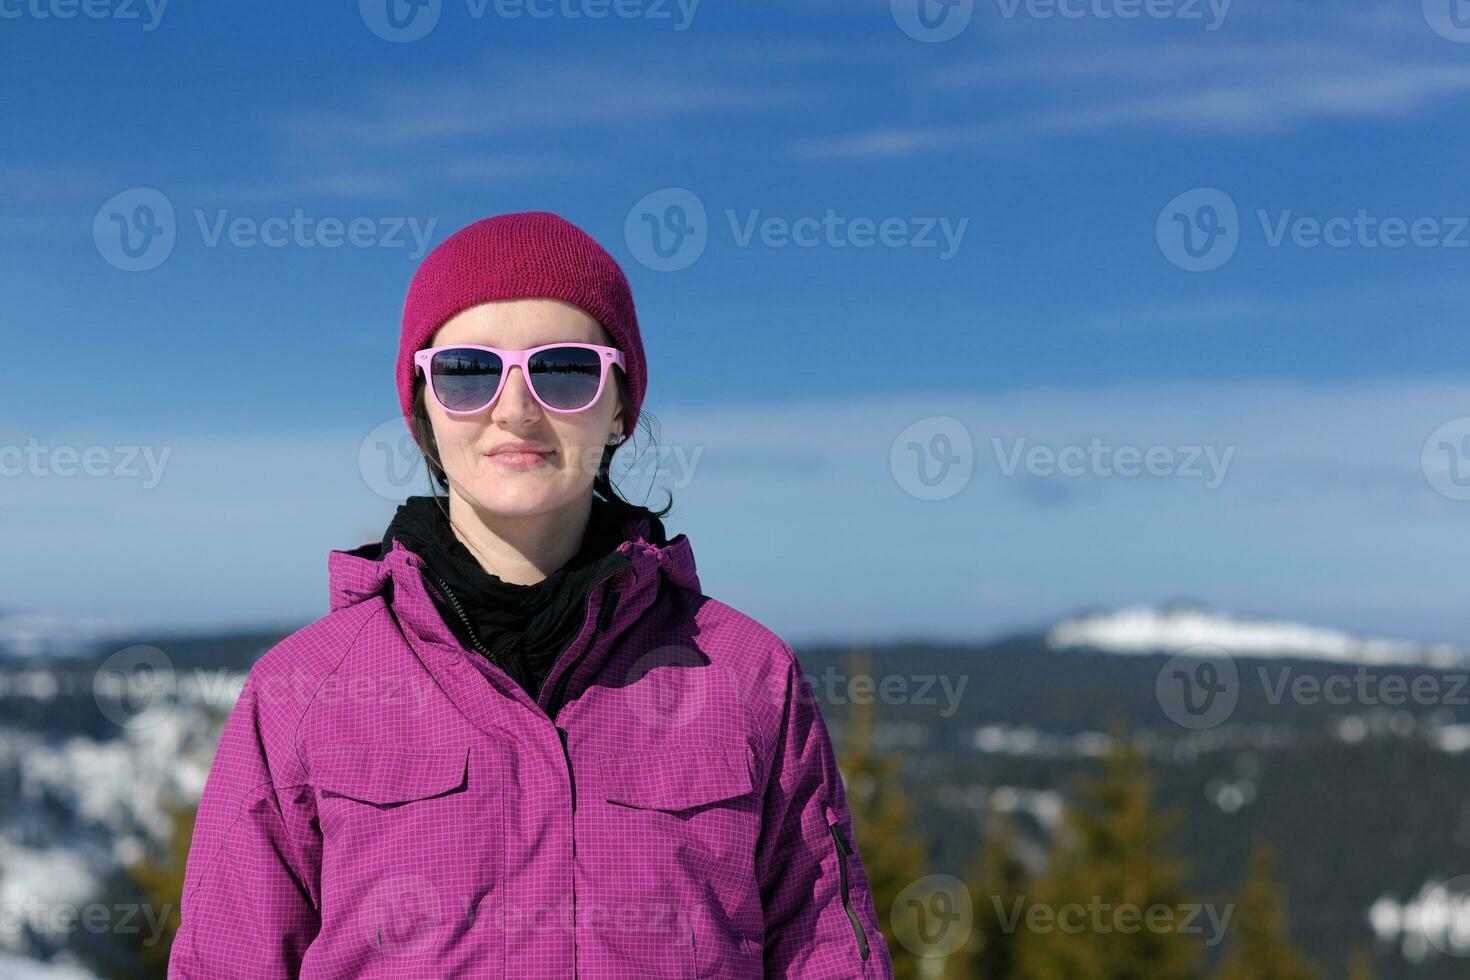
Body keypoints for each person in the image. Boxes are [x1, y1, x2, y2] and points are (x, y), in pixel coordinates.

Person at [168, 210, 894, 979]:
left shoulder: (746, 675)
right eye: (469, 370)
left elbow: (825, 953)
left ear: (619, 409)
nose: (515, 408)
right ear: (423, 410)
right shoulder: (302, 690)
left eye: (565, 369)